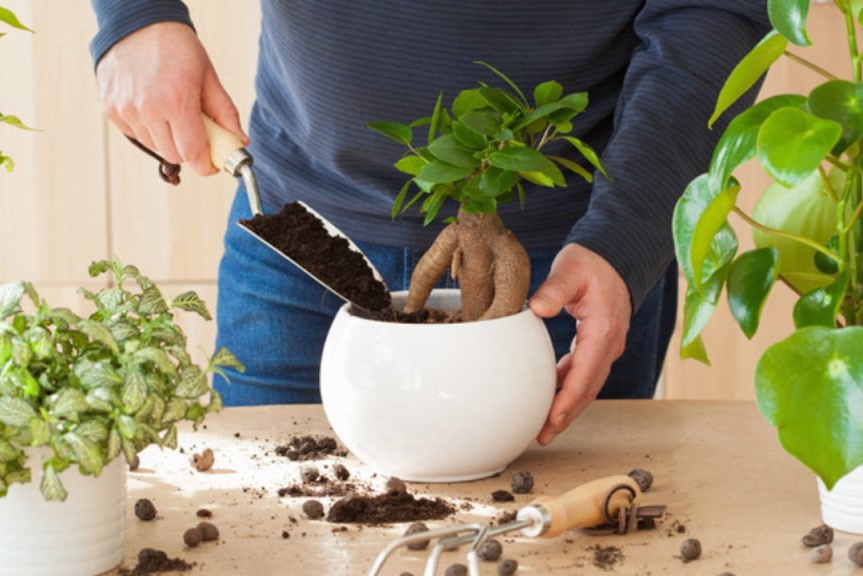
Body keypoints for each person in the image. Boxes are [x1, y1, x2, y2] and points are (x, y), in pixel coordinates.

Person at [90, 1, 769, 446]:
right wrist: (135, 16)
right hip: (298, 242)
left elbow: (714, 13)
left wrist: (622, 241)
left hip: (569, 271)